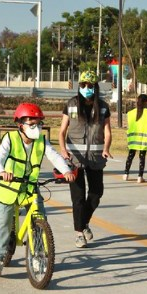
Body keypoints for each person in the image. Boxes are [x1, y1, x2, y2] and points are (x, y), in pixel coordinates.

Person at [0, 103, 75, 276]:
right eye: (32, 123)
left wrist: (66, 170)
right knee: (4, 218)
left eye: (39, 123)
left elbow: (55, 156)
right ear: (20, 124)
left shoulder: (42, 141)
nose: (37, 127)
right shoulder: (10, 138)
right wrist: (2, 172)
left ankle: (38, 257)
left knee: (40, 216)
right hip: (9, 186)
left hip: (30, 187)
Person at [59, 70, 113, 248]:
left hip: (96, 158)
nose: (86, 88)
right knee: (78, 198)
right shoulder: (72, 104)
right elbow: (62, 131)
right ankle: (78, 233)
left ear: (95, 87)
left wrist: (106, 148)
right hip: (74, 159)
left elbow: (107, 131)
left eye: (90, 86)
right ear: (79, 86)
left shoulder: (103, 107)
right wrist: (63, 151)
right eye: (83, 85)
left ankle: (84, 223)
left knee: (96, 194)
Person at [124, 94, 147, 183]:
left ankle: (126, 174)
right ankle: (140, 176)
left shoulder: (130, 113)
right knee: (142, 157)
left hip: (133, 138)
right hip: (144, 139)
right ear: (146, 102)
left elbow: (128, 124)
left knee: (130, 156)